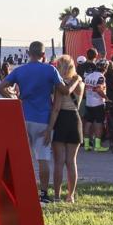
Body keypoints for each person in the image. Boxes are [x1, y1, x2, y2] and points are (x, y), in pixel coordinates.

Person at [0, 41, 69, 204]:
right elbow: (64, 90)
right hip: (43, 120)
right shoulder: (50, 70)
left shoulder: (20, 70)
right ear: (43, 55)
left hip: (24, 117)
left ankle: (19, 191)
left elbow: (1, 87)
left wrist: (15, 100)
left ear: (28, 53)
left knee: (21, 157)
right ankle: (44, 194)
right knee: (43, 158)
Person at [45, 55, 84, 203]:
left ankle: (56, 196)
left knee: (59, 162)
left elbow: (56, 109)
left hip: (61, 119)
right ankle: (71, 196)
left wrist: (50, 128)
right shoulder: (80, 83)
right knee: (71, 161)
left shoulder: (60, 85)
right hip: (75, 119)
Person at [82, 60, 109, 152]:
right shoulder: (101, 77)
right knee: (98, 124)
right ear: (105, 68)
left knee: (88, 123)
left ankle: (86, 145)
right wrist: (107, 98)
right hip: (98, 103)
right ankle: (97, 146)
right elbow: (98, 89)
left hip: (88, 103)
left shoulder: (88, 76)